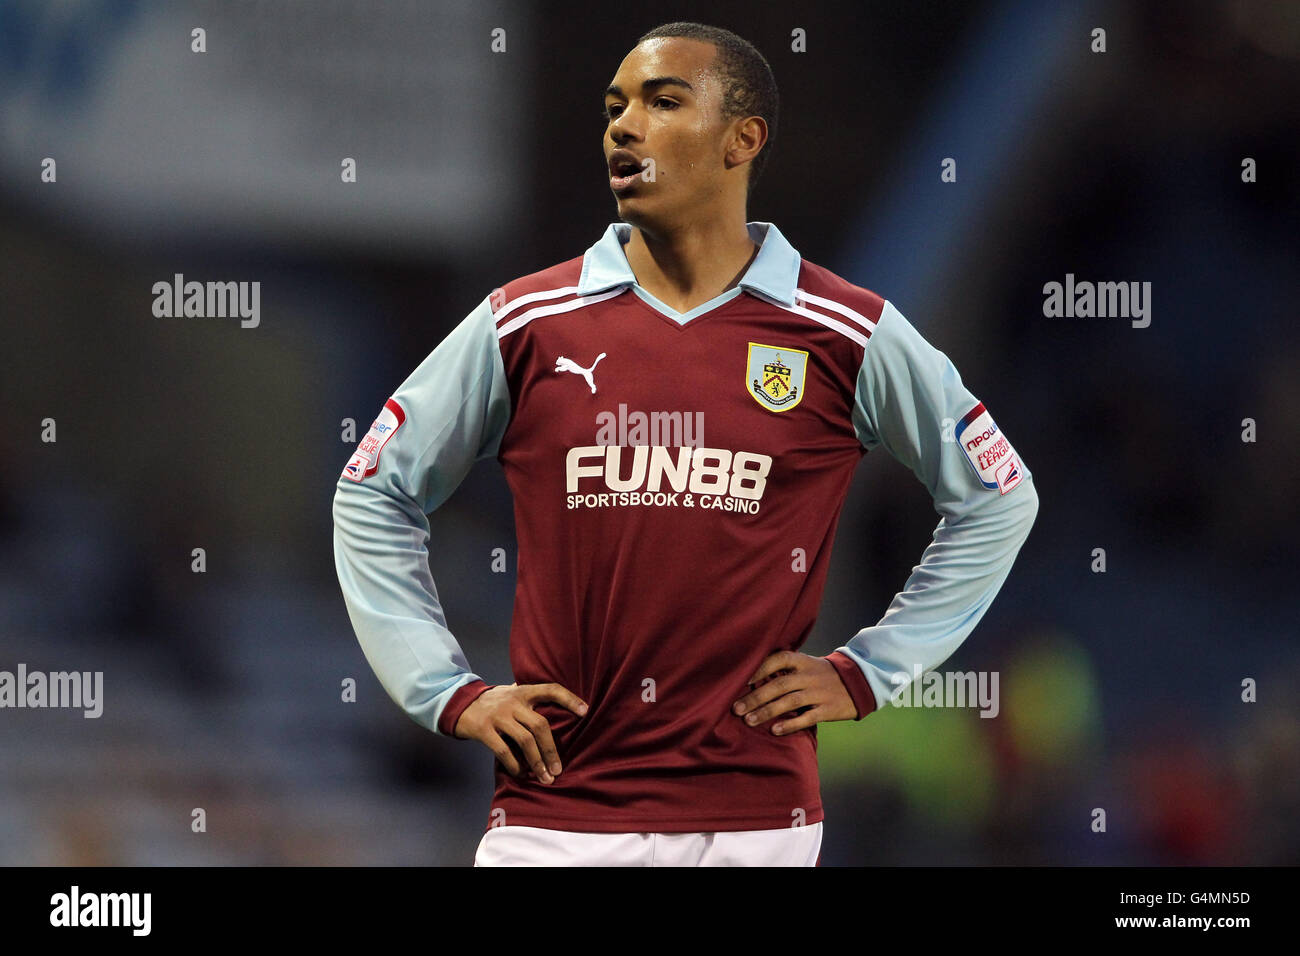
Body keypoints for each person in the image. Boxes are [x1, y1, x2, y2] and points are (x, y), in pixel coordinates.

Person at [332, 21, 1039, 867]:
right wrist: (445, 691)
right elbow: (372, 488)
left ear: (744, 139)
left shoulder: (844, 331)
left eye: (662, 101)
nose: (623, 126)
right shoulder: (524, 323)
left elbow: (999, 494)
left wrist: (865, 670)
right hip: (552, 823)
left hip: (753, 827)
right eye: (614, 108)